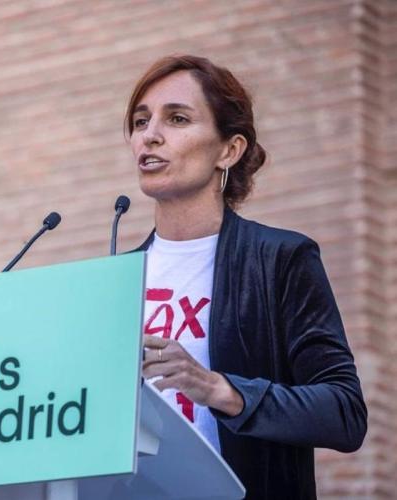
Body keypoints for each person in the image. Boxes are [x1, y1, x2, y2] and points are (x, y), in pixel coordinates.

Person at [128, 55, 367, 499]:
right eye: (141, 122)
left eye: (177, 118)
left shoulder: (279, 259)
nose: (150, 135)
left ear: (229, 150)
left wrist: (218, 388)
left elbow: (344, 413)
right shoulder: (114, 279)